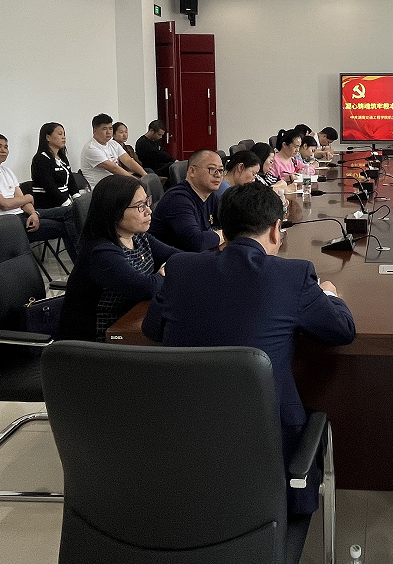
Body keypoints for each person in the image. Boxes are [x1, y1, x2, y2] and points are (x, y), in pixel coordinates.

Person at [143, 182, 355, 514]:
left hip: (183, 436)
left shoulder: (181, 267)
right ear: (275, 229)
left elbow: (152, 329)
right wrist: (328, 293)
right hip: (268, 446)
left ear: (222, 229)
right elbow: (342, 330)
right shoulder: (294, 274)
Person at [56, 176, 180, 342]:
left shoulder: (138, 236)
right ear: (114, 212)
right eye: (140, 206)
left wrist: (170, 268)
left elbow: (177, 257)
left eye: (147, 202)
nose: (149, 211)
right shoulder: (101, 252)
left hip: (131, 322)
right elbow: (146, 288)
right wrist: (165, 272)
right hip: (98, 340)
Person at [0, 133, 78, 261]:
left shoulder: (7, 171)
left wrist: (33, 213)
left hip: (23, 215)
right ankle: (82, 266)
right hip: (4, 223)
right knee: (65, 228)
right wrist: (28, 197)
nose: (4, 150)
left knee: (72, 211)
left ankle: (82, 263)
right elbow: (4, 204)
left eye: (6, 147)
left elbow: (21, 200)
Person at [149, 150, 224, 251]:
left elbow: (233, 222)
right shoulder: (177, 199)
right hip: (172, 258)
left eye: (221, 170)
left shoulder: (210, 195)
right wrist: (224, 234)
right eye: (212, 169)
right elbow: (196, 243)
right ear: (192, 171)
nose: (218, 175)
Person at [79, 113, 147, 189]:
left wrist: (145, 176)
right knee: (138, 188)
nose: (108, 132)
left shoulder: (113, 144)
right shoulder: (91, 148)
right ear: (95, 131)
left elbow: (128, 161)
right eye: (104, 129)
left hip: (116, 184)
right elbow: (114, 168)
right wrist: (136, 182)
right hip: (102, 188)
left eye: (110, 128)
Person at [29, 122, 81, 211]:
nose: (63, 137)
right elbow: (49, 186)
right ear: (48, 137)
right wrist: (68, 204)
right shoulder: (40, 159)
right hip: (49, 206)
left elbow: (71, 180)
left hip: (64, 205)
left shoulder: (62, 158)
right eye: (60, 134)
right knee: (76, 213)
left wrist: (78, 199)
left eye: (64, 134)